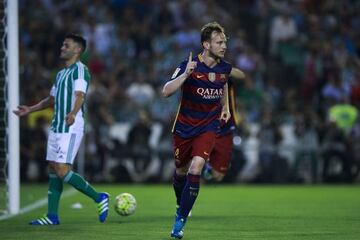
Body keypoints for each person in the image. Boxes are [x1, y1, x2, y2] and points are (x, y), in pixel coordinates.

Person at [13, 34, 109, 225]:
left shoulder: (81, 70)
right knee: (52, 168)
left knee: (62, 169)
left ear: (78, 50)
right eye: (63, 44)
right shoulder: (60, 74)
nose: (62, 47)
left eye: (67, 45)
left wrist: (73, 113)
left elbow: (80, 94)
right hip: (57, 125)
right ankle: (52, 216)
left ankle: (99, 197)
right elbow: (51, 100)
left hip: (71, 125)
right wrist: (30, 109)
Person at [162, 22, 245, 239]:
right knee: (180, 171)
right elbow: (166, 91)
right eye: (219, 42)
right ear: (206, 44)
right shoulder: (187, 65)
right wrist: (185, 76)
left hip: (208, 126)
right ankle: (181, 204)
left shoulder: (224, 68)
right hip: (184, 128)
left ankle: (180, 220)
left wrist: (225, 107)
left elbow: (224, 83)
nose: (224, 46)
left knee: (196, 167)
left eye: (224, 41)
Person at [202, 77, 246, 182]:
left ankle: (208, 168)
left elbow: (241, 75)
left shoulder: (232, 105)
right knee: (198, 162)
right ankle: (199, 175)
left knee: (218, 176)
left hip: (225, 134)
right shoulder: (208, 98)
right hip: (209, 133)